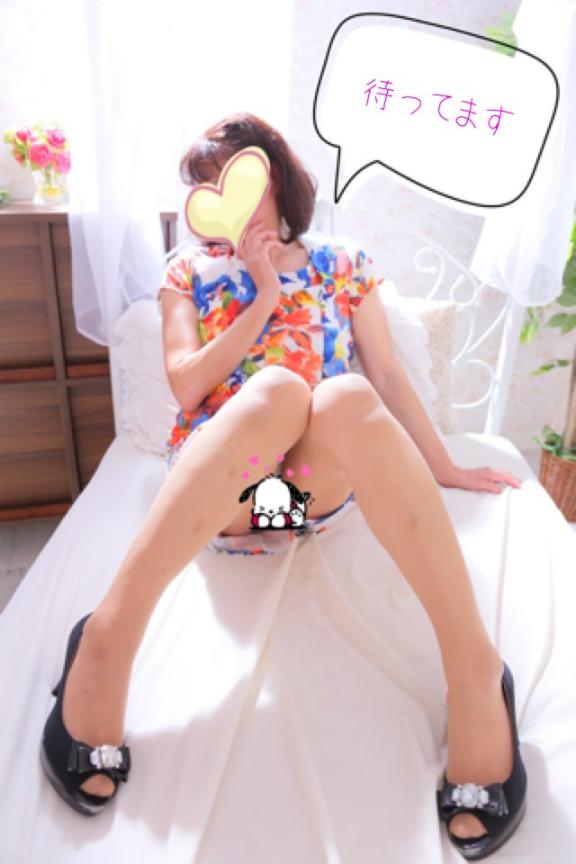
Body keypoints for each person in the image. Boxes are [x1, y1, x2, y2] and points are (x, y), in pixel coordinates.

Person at [41, 112, 527, 857]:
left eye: (239, 178)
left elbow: (386, 373)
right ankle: (105, 640)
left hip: (294, 498)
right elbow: (186, 384)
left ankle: (476, 672)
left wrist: (444, 465)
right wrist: (263, 296)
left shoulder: (342, 262)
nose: (229, 200)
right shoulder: (187, 273)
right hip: (222, 494)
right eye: (208, 187)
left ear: (275, 178)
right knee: (275, 392)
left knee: (344, 395)